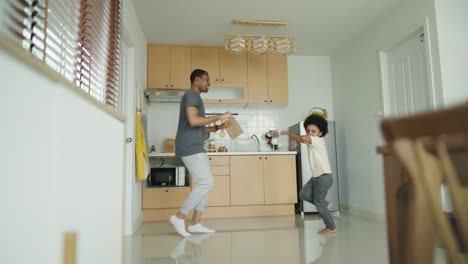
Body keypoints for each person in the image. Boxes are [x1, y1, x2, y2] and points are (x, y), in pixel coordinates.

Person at [170, 69, 232, 237]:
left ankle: (196, 223)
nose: (209, 83)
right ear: (197, 80)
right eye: (206, 80)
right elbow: (193, 121)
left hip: (195, 145)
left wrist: (220, 127)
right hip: (190, 146)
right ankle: (179, 216)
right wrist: (219, 117)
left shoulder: (195, 98)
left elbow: (200, 127)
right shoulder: (192, 94)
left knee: (206, 183)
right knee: (206, 183)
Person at [281, 114, 336, 235]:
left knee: (318, 203)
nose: (310, 133)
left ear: (320, 133)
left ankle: (331, 227)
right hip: (317, 176)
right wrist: (297, 141)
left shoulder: (318, 140)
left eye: (313, 131)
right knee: (303, 194)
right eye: (308, 131)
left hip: (324, 177)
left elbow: (304, 138)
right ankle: (326, 204)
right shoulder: (312, 141)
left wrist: (290, 134)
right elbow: (303, 139)